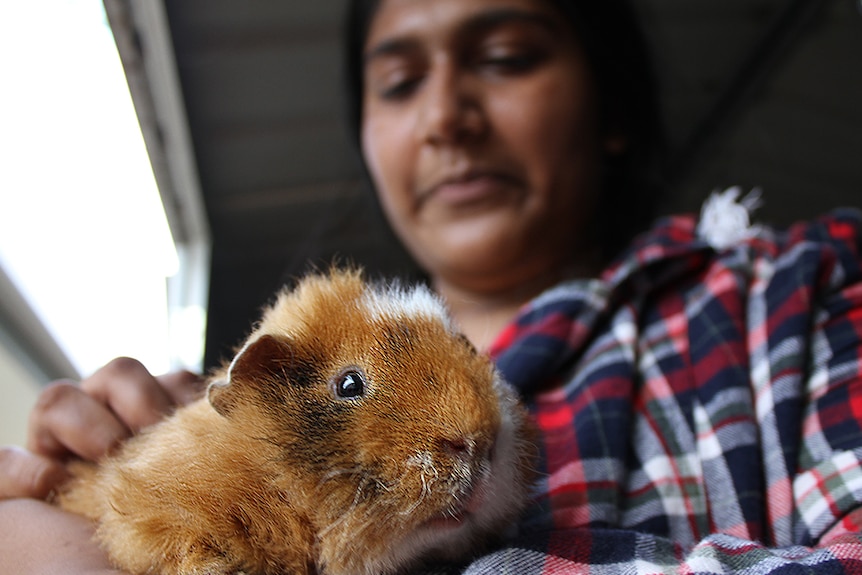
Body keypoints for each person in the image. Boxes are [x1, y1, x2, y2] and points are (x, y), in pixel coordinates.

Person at [2, 0, 861, 572]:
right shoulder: (239, 379)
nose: (447, 116)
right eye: (402, 82)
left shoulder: (794, 286)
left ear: (610, 104)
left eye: (506, 57)